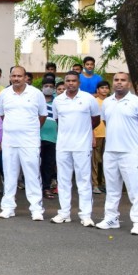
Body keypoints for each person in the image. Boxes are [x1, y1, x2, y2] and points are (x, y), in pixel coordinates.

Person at [97, 72, 138, 235]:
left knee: (135, 189)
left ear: (129, 84)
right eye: (116, 80)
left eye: (123, 80)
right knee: (112, 188)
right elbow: (106, 122)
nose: (119, 83)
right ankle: (111, 218)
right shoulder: (107, 102)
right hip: (110, 151)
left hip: (130, 152)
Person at [0, 66, 48, 220]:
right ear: (10, 77)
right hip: (10, 141)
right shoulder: (4, 94)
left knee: (32, 175)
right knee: (9, 175)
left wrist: (30, 129)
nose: (16, 79)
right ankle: (8, 207)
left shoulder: (36, 93)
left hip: (30, 141)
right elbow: (2, 115)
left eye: (19, 76)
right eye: (14, 76)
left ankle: (36, 209)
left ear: (25, 77)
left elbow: (43, 115)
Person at [50, 71, 101, 227]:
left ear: (79, 82)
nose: (70, 83)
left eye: (73, 80)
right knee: (63, 180)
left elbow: (96, 120)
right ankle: (64, 213)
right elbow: (58, 121)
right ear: (64, 82)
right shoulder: (58, 100)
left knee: (84, 181)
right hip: (63, 146)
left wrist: (84, 132)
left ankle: (86, 215)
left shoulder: (88, 99)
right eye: (68, 80)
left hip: (82, 146)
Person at [39, 76, 58, 200]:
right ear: (42, 88)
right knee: (35, 164)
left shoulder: (58, 102)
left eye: (51, 86)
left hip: (52, 138)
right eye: (46, 86)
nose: (48, 88)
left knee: (48, 164)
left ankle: (46, 187)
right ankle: (35, 187)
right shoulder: (37, 100)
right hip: (37, 136)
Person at [92, 80, 110, 194]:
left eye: (106, 88)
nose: (104, 90)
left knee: (107, 161)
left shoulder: (111, 101)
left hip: (108, 135)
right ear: (97, 90)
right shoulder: (94, 102)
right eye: (102, 88)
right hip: (97, 134)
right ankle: (94, 184)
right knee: (94, 161)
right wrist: (92, 135)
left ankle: (104, 183)